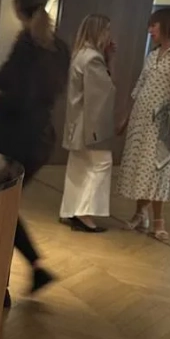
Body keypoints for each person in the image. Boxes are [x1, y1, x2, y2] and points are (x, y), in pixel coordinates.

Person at [0, 0, 70, 300]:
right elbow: (40, 95)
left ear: (17, 4)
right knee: (4, 210)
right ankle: (32, 270)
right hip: (40, 138)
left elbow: (21, 97)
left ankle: (2, 285)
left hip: (15, 141)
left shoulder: (26, 45)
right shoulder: (59, 47)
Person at [117, 7, 170, 241]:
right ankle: (139, 213)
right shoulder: (153, 54)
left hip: (165, 119)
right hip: (142, 119)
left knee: (159, 167)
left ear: (166, 25)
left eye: (154, 25)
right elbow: (140, 85)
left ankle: (159, 220)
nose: (150, 30)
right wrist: (126, 116)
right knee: (141, 167)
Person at [59, 14, 117, 232]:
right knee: (102, 164)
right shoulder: (93, 58)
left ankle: (70, 210)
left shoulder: (80, 54)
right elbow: (105, 92)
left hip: (77, 123)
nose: (109, 34)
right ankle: (84, 214)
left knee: (78, 168)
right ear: (98, 31)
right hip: (89, 126)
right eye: (107, 30)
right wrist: (111, 61)